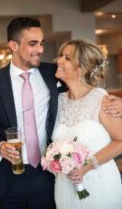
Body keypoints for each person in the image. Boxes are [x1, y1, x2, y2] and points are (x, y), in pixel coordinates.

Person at [0, 17, 66, 209]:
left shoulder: (54, 73)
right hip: (7, 180)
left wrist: (112, 100)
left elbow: (83, 88)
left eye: (41, 43)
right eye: (33, 44)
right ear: (13, 45)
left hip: (46, 175)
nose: (40, 50)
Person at [52, 39, 122, 209]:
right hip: (65, 186)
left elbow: (120, 141)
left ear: (81, 69)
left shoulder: (101, 98)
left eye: (67, 58)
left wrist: (87, 166)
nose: (58, 60)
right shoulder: (58, 101)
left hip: (98, 183)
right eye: (61, 55)